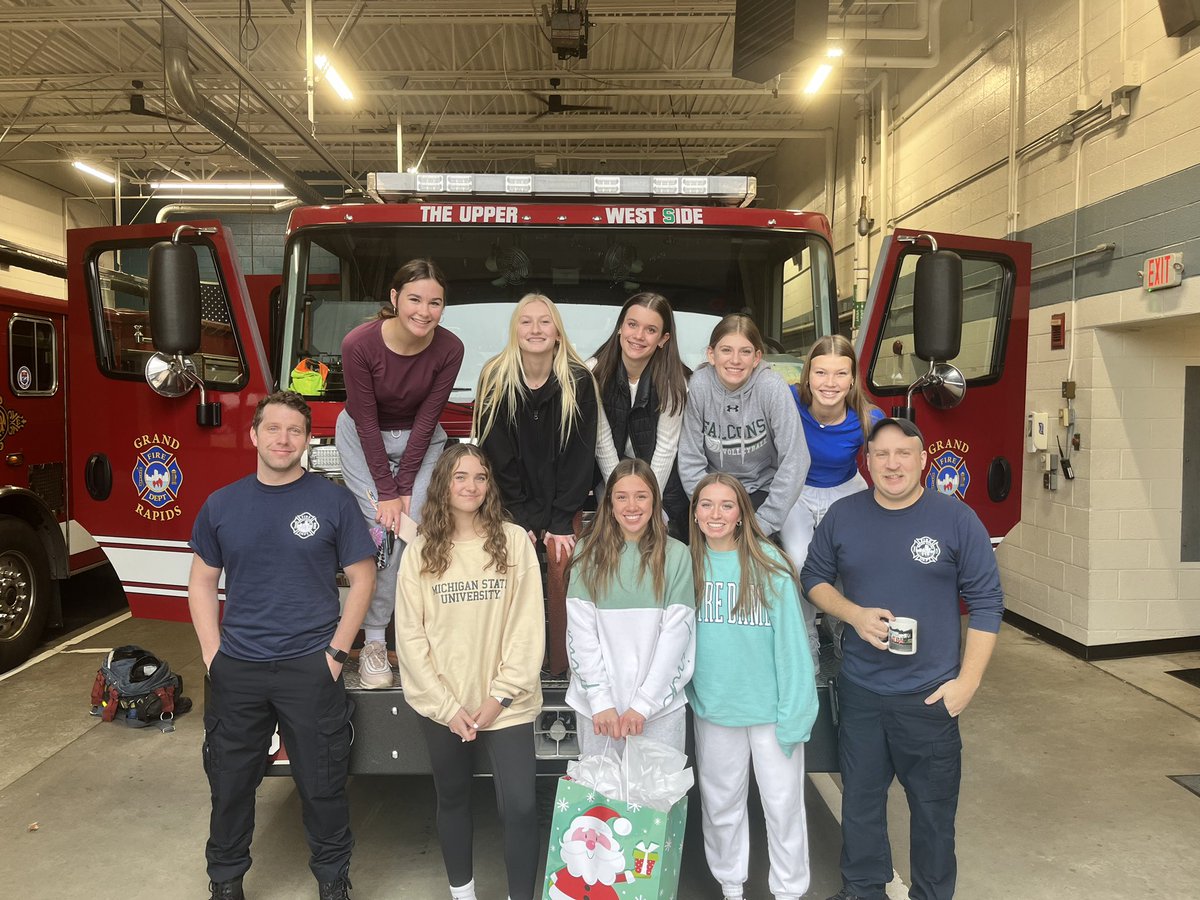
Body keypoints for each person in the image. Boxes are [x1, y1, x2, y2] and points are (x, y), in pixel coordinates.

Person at [799, 417, 1004, 900]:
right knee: (862, 805)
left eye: (903, 453)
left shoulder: (956, 519)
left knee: (933, 813)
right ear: (867, 464)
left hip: (930, 698)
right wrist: (854, 614)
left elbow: (987, 603)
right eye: (881, 455)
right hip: (863, 692)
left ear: (923, 460)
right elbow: (813, 578)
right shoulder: (845, 516)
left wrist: (967, 683)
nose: (892, 463)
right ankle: (863, 890)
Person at [188, 391, 376, 900]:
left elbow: (363, 576)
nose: (283, 439)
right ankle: (226, 881)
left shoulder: (332, 501)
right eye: (273, 429)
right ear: (253, 435)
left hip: (310, 669)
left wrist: (336, 655)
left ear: (308, 441)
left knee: (323, 784)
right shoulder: (222, 505)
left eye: (294, 431)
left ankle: (333, 879)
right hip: (239, 669)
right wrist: (212, 655)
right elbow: (201, 582)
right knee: (230, 785)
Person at [395, 444, 544, 900]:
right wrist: (445, 706)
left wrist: (500, 697)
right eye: (460, 477)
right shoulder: (420, 551)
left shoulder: (514, 540)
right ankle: (464, 893)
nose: (471, 486)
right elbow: (411, 636)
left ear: (489, 486)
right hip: (446, 705)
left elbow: (527, 624)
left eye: (480, 477)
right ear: (444, 484)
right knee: (453, 797)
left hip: (506, 704)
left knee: (519, 806)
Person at [687, 473, 819, 900]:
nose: (716, 514)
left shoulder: (770, 563)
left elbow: (794, 646)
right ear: (694, 513)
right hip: (716, 709)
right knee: (721, 806)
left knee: (782, 807)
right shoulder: (686, 565)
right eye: (706, 504)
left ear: (743, 513)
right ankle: (731, 885)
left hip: (771, 710)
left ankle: (788, 891)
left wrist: (797, 712)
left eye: (727, 505)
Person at [337, 258, 464, 689]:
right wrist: (388, 494)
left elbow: (429, 420)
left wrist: (406, 487)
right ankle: (374, 643)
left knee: (417, 530)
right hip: (361, 439)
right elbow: (367, 423)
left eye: (435, 303)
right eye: (414, 299)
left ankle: (416, 639)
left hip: (420, 442)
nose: (424, 311)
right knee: (383, 530)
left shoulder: (450, 348)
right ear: (394, 299)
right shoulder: (359, 344)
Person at [474, 292, 598, 674]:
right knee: (509, 563)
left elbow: (581, 457)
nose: (536, 329)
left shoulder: (578, 380)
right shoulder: (495, 376)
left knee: (563, 564)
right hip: (511, 504)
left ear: (558, 333)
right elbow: (497, 457)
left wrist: (560, 521)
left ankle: (561, 667)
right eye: (526, 322)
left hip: (564, 503)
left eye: (545, 321)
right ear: (515, 332)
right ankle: (512, 667)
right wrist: (522, 519)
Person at [565, 458, 696, 756]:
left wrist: (643, 705)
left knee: (657, 803)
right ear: (609, 503)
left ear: (655, 500)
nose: (631, 506)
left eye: (641, 496)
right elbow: (580, 632)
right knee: (603, 803)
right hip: (598, 712)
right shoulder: (588, 552)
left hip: (659, 709)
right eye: (621, 497)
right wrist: (600, 701)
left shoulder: (676, 555)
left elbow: (677, 638)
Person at [780, 335, 883, 663]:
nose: (830, 382)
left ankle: (843, 630)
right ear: (807, 374)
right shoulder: (788, 399)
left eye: (840, 374)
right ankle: (807, 633)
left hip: (844, 488)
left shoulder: (868, 417)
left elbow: (890, 463)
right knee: (800, 562)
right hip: (796, 488)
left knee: (847, 563)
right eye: (821, 372)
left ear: (852, 378)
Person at [678, 313, 810, 542]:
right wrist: (708, 508)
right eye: (726, 350)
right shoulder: (699, 385)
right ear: (711, 354)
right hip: (714, 492)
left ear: (757, 357)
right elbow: (690, 459)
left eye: (745, 351)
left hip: (763, 492)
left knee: (791, 560)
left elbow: (795, 459)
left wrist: (766, 521)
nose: (735, 360)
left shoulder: (771, 387)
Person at [587, 292, 691, 540]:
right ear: (621, 327)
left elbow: (667, 447)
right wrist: (620, 496)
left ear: (664, 339)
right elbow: (602, 442)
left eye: (650, 330)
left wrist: (649, 501)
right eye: (632, 324)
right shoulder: (593, 372)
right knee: (615, 535)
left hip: (659, 477)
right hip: (610, 471)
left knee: (655, 539)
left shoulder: (675, 382)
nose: (638, 336)